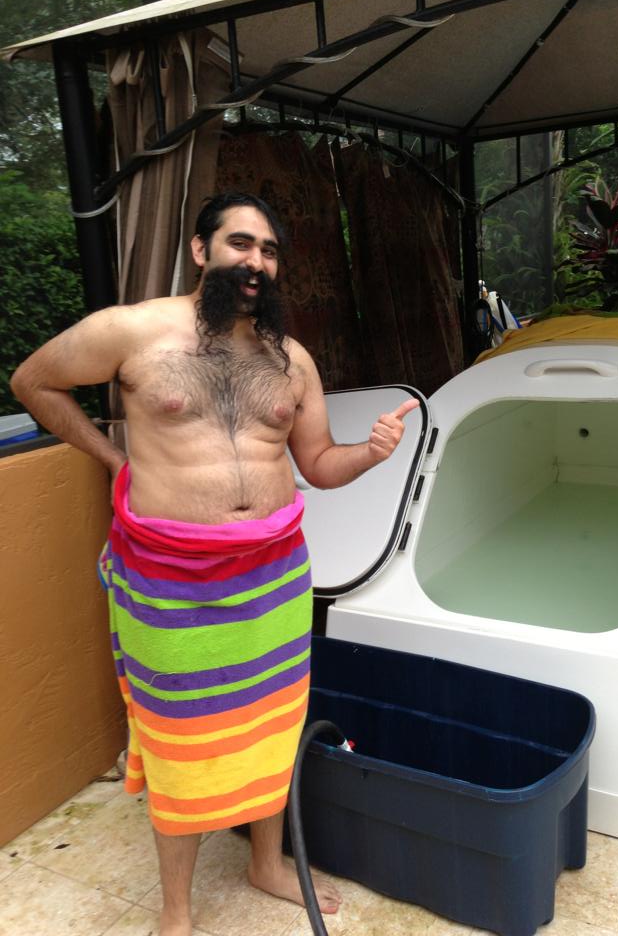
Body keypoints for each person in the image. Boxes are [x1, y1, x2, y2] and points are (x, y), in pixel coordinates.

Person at [10, 191, 419, 936]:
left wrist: (370, 452)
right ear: (201, 251)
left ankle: (266, 864)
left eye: (269, 250)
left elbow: (319, 465)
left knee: (273, 722)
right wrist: (113, 460)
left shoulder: (291, 360)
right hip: (170, 580)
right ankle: (175, 912)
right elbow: (33, 381)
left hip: (273, 577)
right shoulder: (132, 331)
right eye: (240, 243)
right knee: (180, 739)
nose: (256, 262)